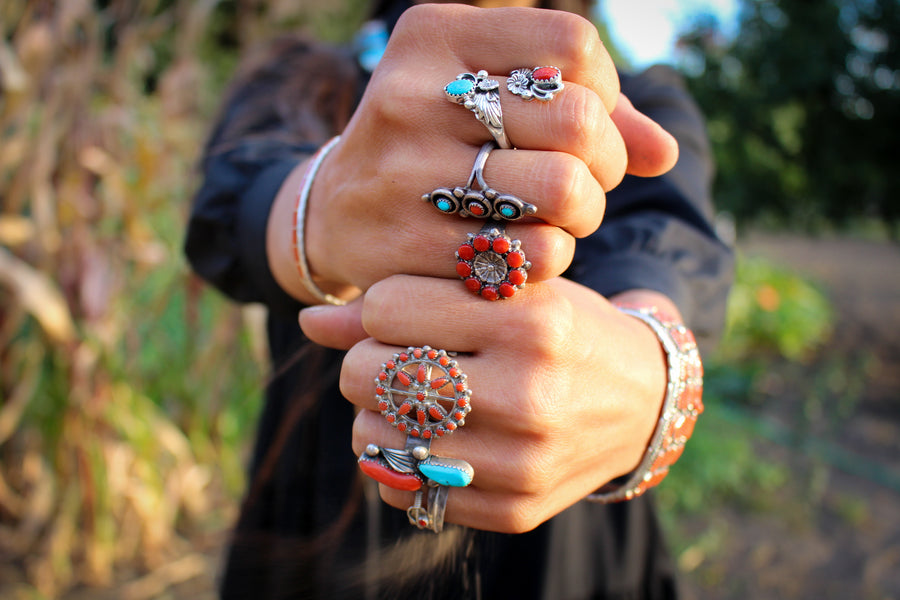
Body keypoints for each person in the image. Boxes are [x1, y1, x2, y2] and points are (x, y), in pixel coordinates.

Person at [185, 0, 733, 597]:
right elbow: (230, 213)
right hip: (318, 515)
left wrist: (650, 368)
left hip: (567, 541)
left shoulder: (632, 103)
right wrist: (330, 204)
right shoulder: (301, 76)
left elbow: (660, 252)